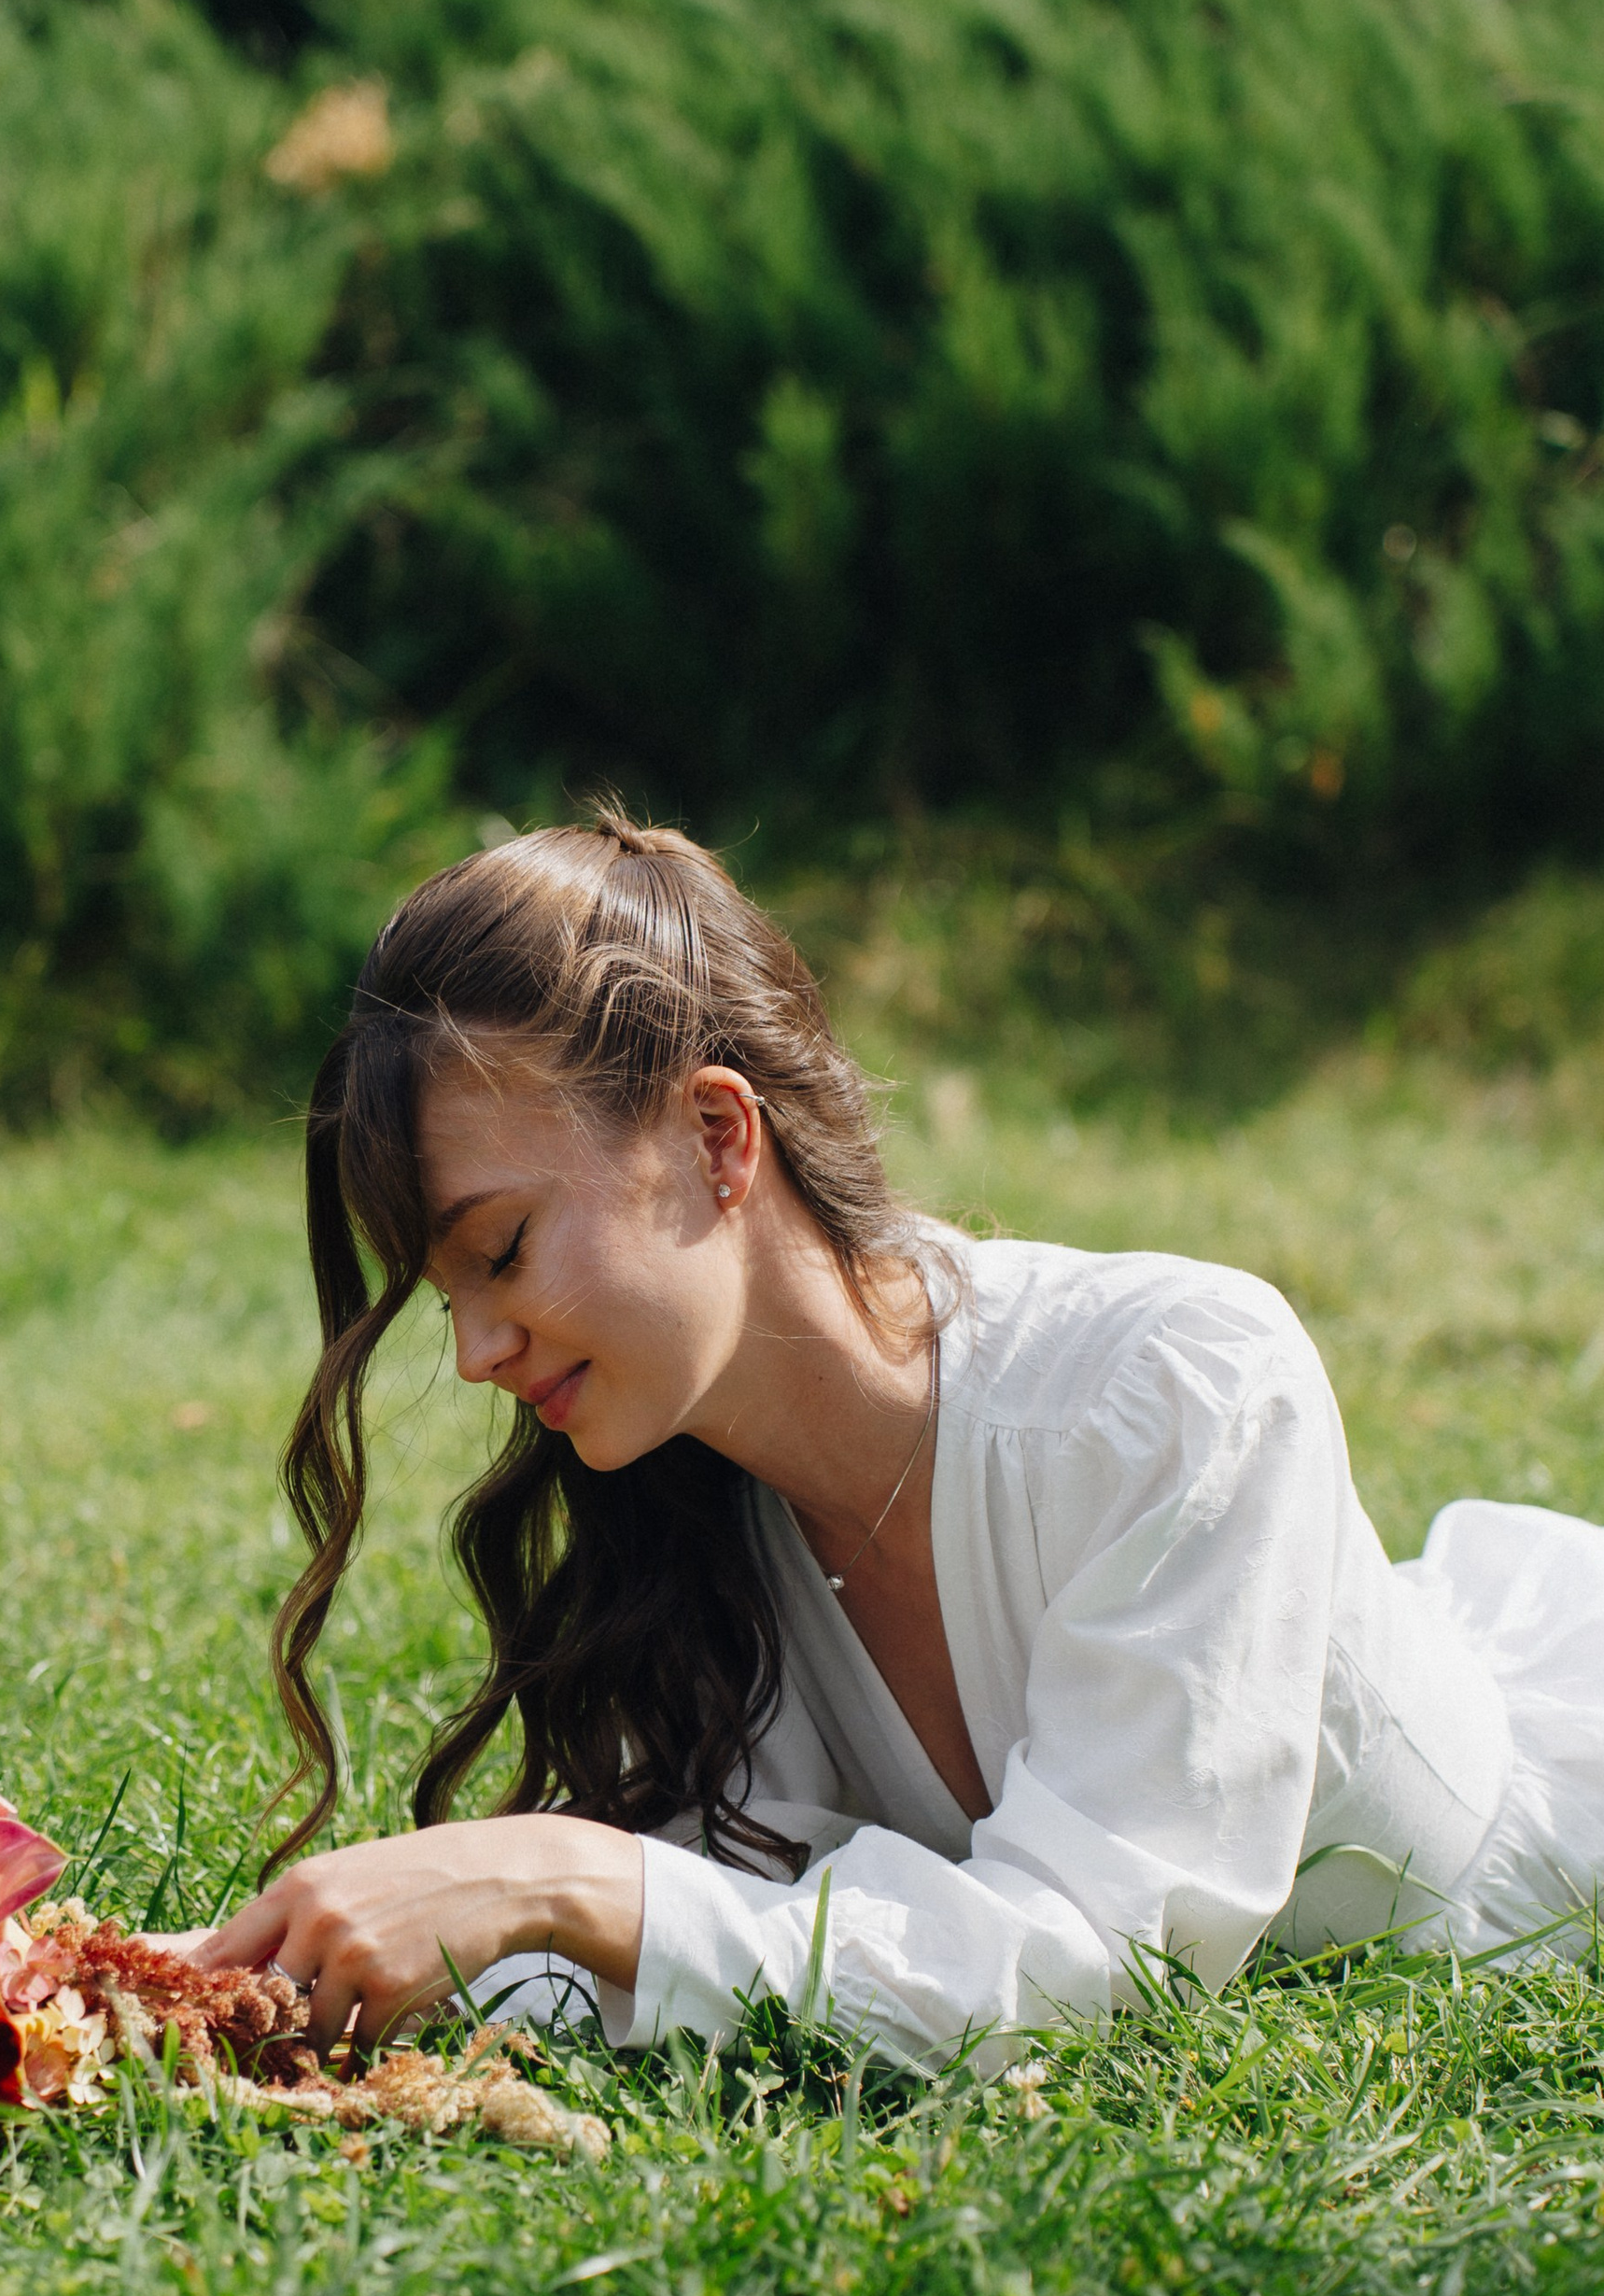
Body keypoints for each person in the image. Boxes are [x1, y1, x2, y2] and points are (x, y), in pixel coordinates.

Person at [186, 813, 1604, 2072]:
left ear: (716, 1137)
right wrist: (232, 1992)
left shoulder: (1181, 1387)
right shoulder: (693, 1507)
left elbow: (1098, 1962)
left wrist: (564, 1877)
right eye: (450, 1298)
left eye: (501, 1251)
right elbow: (737, 1940)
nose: (474, 1355)